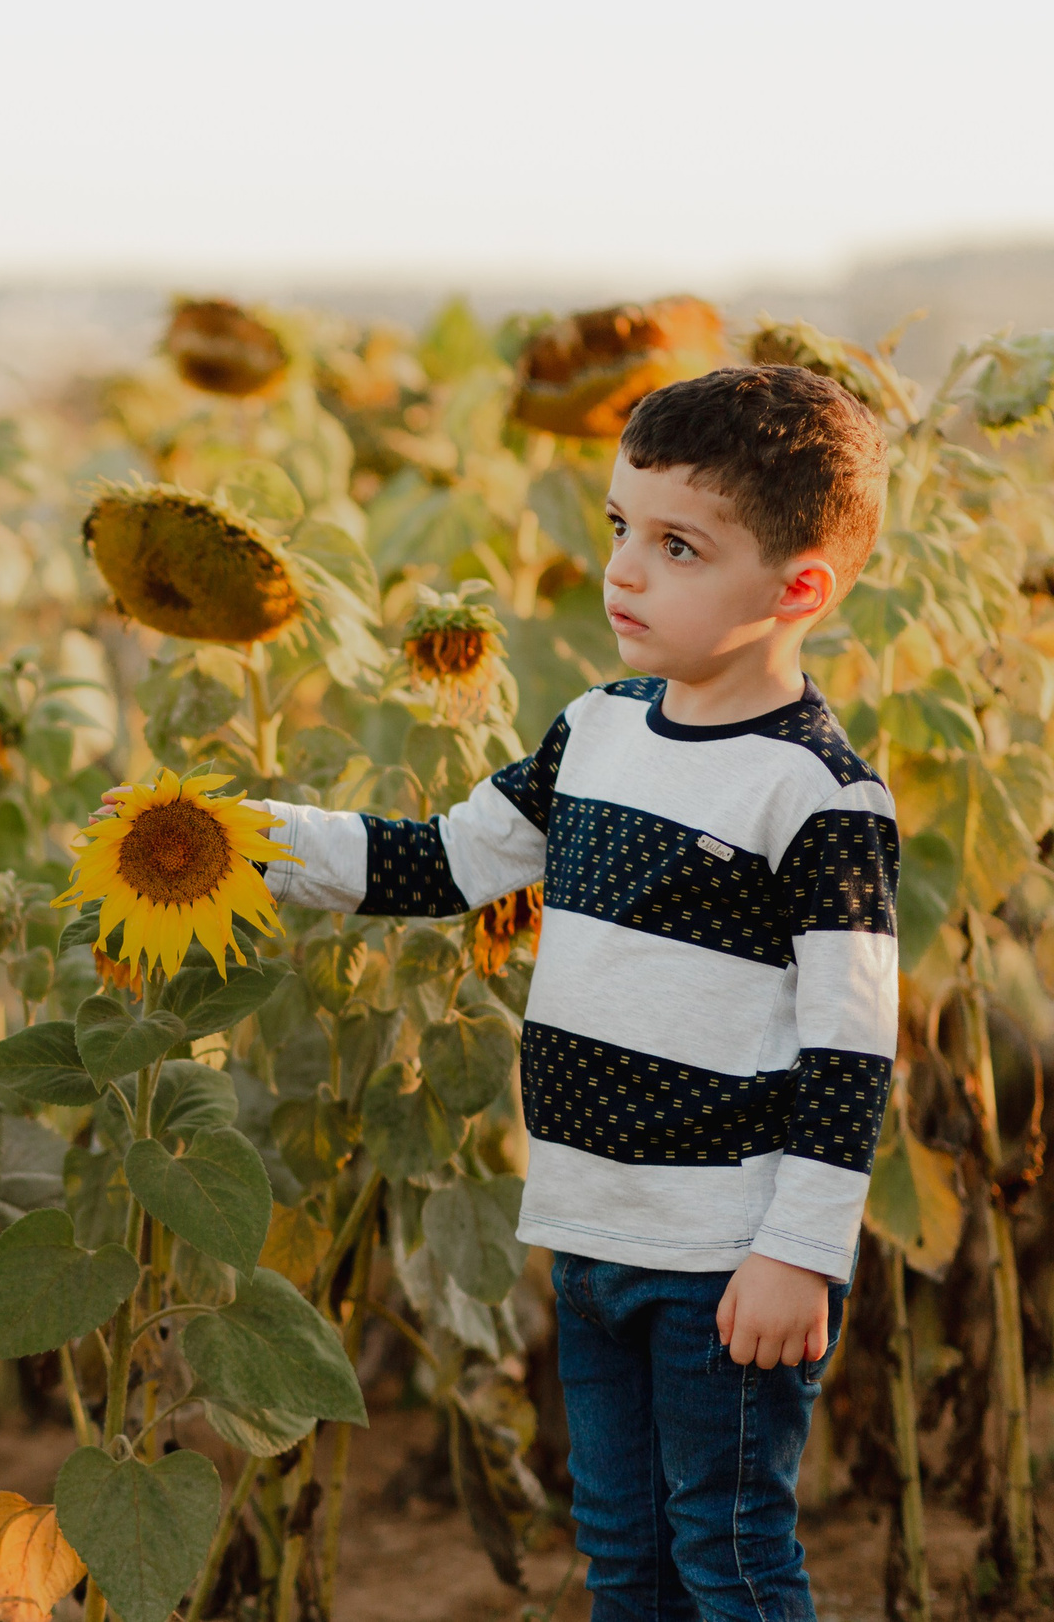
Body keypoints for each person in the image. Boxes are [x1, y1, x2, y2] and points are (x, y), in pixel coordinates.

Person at [255, 364, 896, 1621]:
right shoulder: (595, 729)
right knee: (620, 1552)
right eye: (618, 529)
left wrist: (797, 1255)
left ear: (798, 590)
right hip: (592, 1230)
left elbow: (850, 1050)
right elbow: (444, 860)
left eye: (676, 546)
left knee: (727, 1553)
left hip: (725, 1257)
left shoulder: (817, 796)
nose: (623, 573)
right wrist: (243, 840)